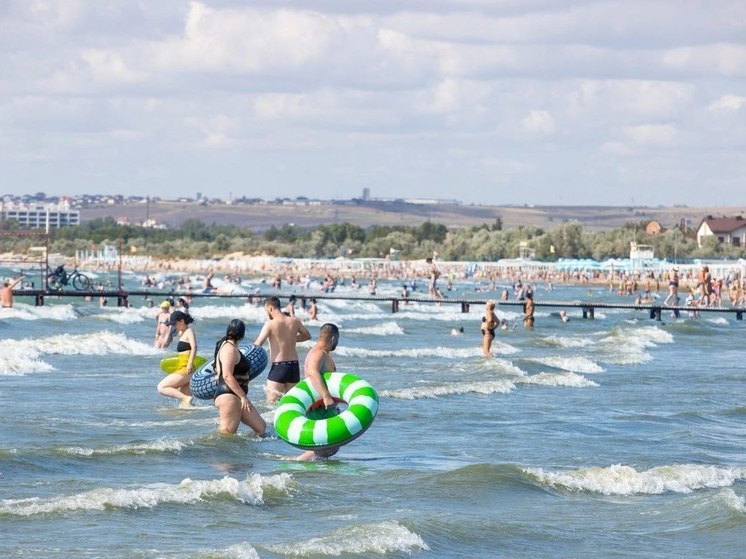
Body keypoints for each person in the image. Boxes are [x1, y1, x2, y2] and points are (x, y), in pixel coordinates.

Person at [297, 323, 342, 461]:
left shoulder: (318, 352)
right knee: (330, 445)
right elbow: (313, 372)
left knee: (330, 445)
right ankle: (298, 461)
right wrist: (326, 396)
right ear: (333, 338)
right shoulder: (318, 353)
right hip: (319, 407)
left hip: (322, 407)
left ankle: (316, 472)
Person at [213, 319, 266, 436]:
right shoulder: (228, 349)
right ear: (242, 334)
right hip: (229, 396)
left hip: (236, 396)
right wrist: (243, 396)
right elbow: (226, 375)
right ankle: (214, 453)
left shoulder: (230, 348)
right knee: (226, 435)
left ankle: (246, 452)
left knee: (260, 427)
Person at [254, 296, 312, 403]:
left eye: (266, 310)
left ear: (270, 308)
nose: (267, 313)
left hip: (279, 368)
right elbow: (307, 336)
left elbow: (258, 344)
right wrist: (292, 339)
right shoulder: (294, 321)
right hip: (294, 367)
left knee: (271, 405)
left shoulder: (270, 324)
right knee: (291, 403)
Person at [157, 310, 198, 408]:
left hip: (187, 368)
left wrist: (189, 364)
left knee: (161, 387)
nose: (173, 326)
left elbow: (194, 347)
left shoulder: (189, 331)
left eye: (175, 324)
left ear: (182, 321)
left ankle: (186, 398)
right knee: (185, 407)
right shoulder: (182, 333)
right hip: (183, 367)